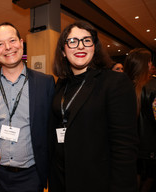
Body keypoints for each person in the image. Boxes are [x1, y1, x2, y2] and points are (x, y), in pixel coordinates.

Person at [48, 20, 138, 192]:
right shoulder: (62, 84)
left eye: (86, 40)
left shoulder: (114, 82)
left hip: (95, 181)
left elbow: (124, 147)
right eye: (73, 41)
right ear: (63, 51)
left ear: (94, 47)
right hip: (61, 177)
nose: (80, 46)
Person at [0, 22, 55, 192]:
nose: (8, 48)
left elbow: (52, 126)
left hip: (31, 176)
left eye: (12, 41)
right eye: (0, 44)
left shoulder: (45, 83)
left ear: (21, 43)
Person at [124, 48, 156, 192]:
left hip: (128, 148)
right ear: (144, 64)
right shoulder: (153, 86)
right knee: (149, 181)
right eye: (149, 61)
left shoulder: (121, 87)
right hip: (150, 148)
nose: (151, 64)